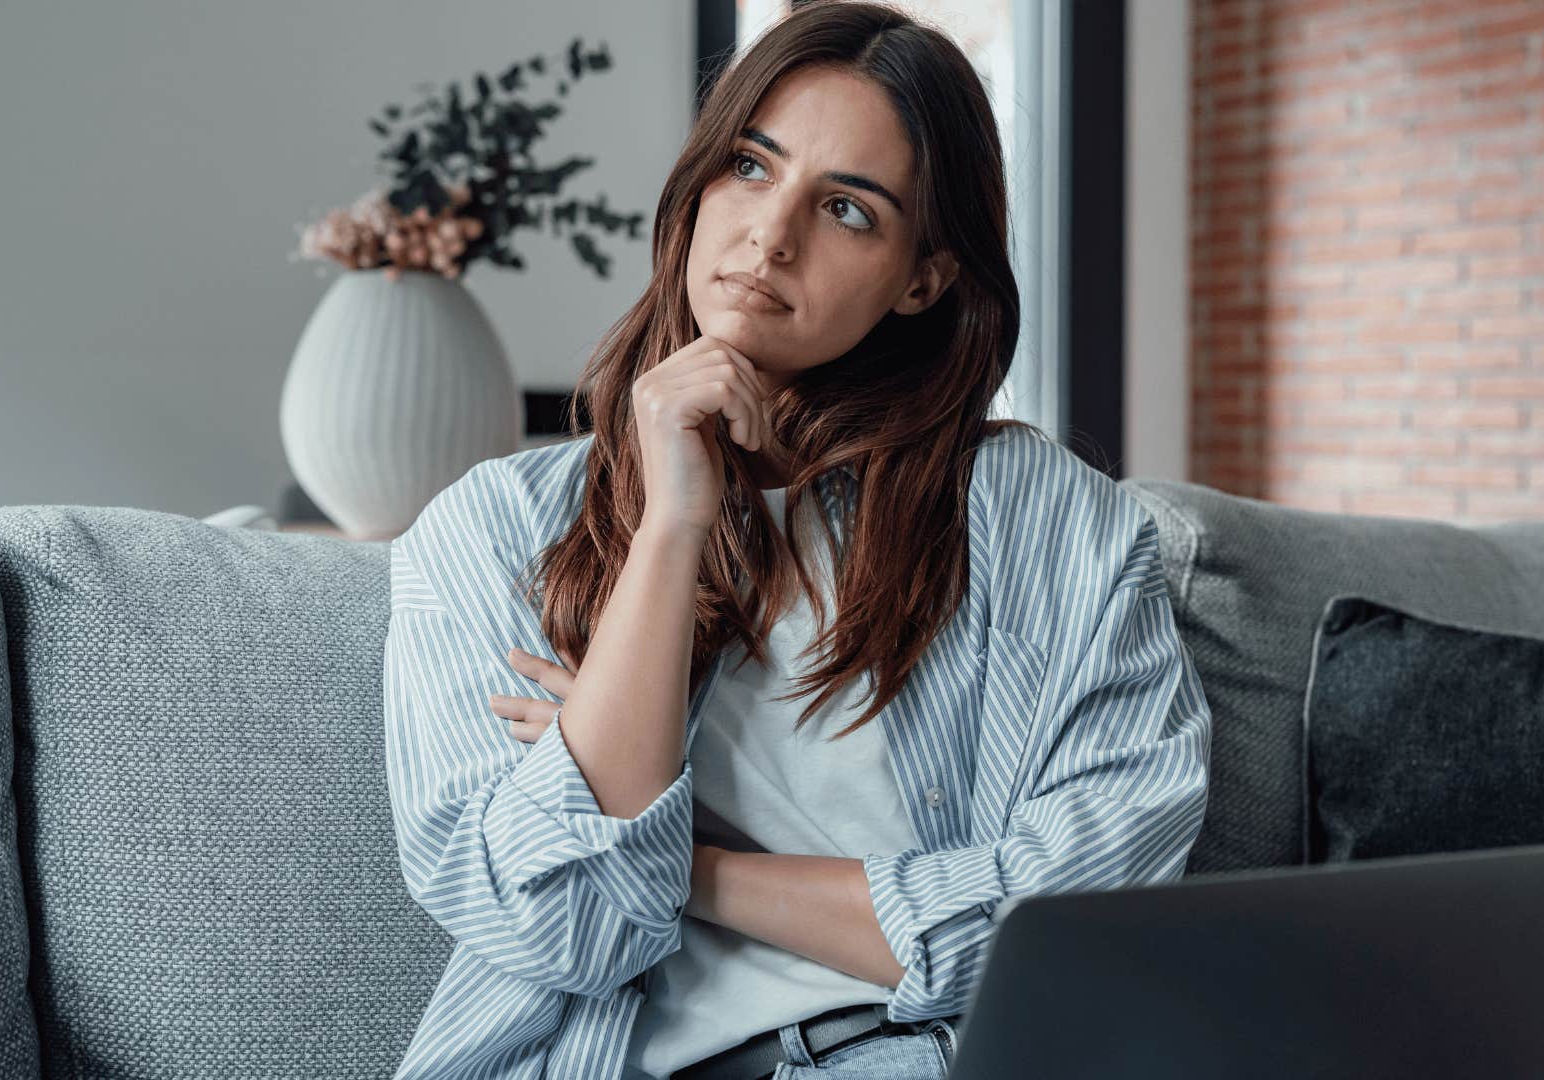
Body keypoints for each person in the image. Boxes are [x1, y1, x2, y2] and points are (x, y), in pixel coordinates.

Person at [380, 2, 1213, 1077]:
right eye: (750, 167)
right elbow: (557, 925)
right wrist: (674, 524)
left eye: (850, 211)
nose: (771, 237)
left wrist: (690, 863)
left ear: (926, 277)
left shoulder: (1049, 522)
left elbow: (1079, 925)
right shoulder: (491, 531)